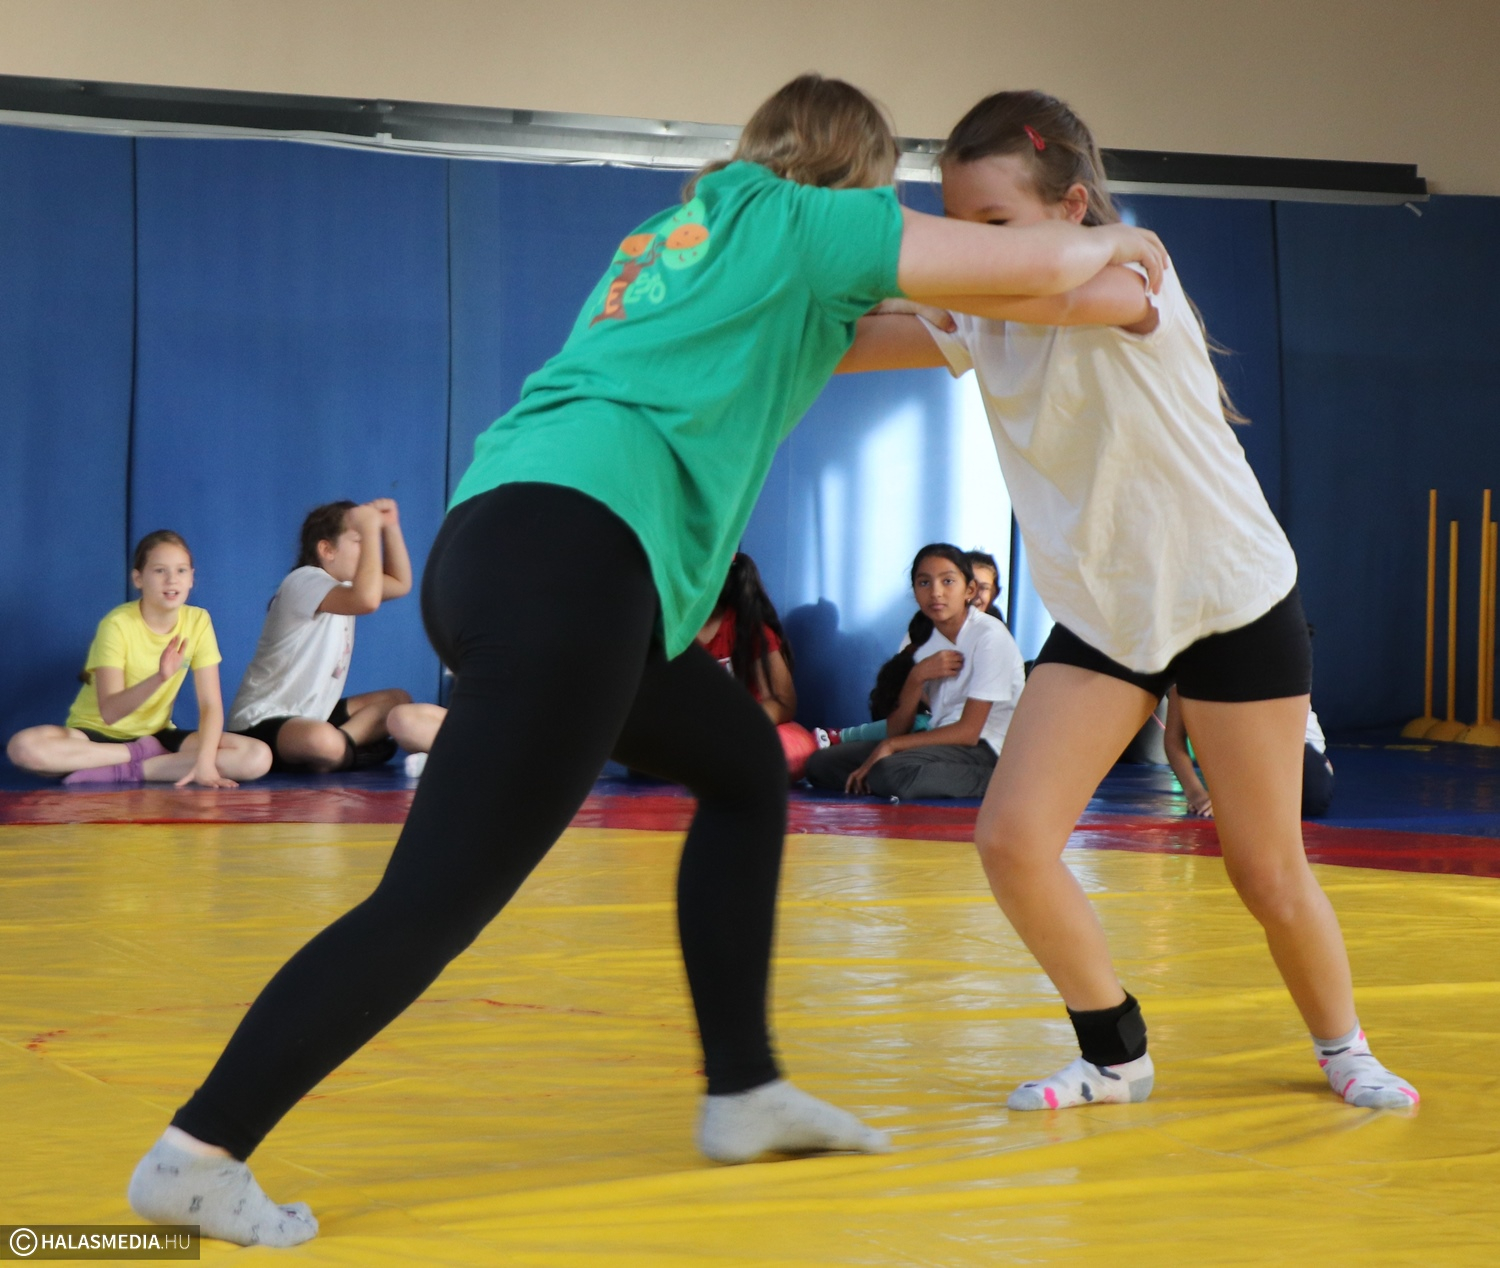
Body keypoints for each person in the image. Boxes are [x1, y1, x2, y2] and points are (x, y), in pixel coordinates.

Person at [127, 74, 1170, 1248]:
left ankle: (744, 1087)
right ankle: (200, 1150)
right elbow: (1024, 266)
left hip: (512, 541)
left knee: (741, 765)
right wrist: (1117, 242)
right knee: (433, 899)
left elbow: (925, 328)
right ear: (858, 173)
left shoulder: (685, 240)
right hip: (575, 566)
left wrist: (1049, 309)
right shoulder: (801, 215)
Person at [838, 89, 1414, 1112]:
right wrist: (757, 300)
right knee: (1012, 840)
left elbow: (1051, 299)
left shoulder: (1130, 270)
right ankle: (1115, 1052)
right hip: (1109, 615)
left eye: (993, 222)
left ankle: (1345, 1047)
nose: (973, 246)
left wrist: (902, 257)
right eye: (960, 224)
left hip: (1228, 597)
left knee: (1264, 867)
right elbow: (849, 343)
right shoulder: (986, 303)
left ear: (1071, 210)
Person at [6, 531, 270, 787]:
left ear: (191, 578)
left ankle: (130, 770)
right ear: (138, 579)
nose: (172, 580)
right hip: (94, 737)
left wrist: (205, 762)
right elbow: (110, 713)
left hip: (157, 735)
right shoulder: (117, 624)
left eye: (181, 570)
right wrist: (160, 678)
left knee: (256, 757)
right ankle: (135, 755)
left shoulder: (198, 621)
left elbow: (210, 704)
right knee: (24, 748)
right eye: (159, 571)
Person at [804, 544, 1025, 798]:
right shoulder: (924, 638)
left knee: (888, 771)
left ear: (969, 590)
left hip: (988, 749)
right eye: (924, 583)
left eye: (948, 581)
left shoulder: (990, 636)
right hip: (941, 743)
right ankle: (892, 778)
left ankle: (999, 780)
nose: (936, 592)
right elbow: (897, 730)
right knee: (822, 764)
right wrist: (916, 676)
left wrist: (892, 746)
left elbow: (968, 732)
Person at [227, 499, 413, 772]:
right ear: (327, 550)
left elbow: (400, 584)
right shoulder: (303, 580)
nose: (369, 551)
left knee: (398, 701)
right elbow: (367, 601)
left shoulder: (346, 585)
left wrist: (390, 527)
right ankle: (339, 751)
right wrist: (370, 530)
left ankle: (342, 747)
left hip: (313, 715)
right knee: (322, 741)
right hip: (260, 720)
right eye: (359, 541)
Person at [816, 545, 1006, 748]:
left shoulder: (995, 630)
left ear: (995, 592)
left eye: (983, 587)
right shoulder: (928, 624)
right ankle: (843, 737)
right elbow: (908, 682)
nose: (974, 595)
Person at [696, 553, 819, 780]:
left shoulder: (749, 627)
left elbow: (783, 702)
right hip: (694, 735)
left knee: (788, 749)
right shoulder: (673, 631)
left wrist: (737, 725)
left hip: (745, 729)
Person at [1164, 686, 1334, 818]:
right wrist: (1197, 795)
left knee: (1312, 793)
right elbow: (1174, 739)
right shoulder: (1191, 665)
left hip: (1289, 746)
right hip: (1241, 755)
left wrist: (1232, 796)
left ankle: (1319, 765)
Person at [967, 549, 1004, 619]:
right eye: (969, 586)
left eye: (983, 587)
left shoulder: (996, 624)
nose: (975, 594)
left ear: (996, 593)